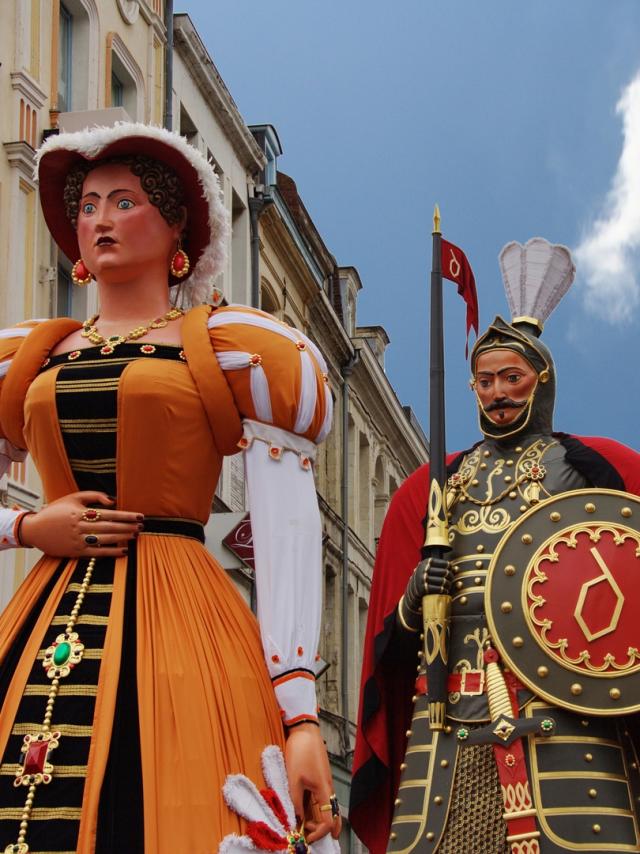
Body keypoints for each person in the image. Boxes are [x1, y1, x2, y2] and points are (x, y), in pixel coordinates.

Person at [0, 122, 340, 854]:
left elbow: (285, 529)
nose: (100, 221)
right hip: (44, 604)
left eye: (123, 202)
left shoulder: (230, 347)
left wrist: (300, 714)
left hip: (182, 613)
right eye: (87, 206)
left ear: (176, 227)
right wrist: (26, 529)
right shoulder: (30, 354)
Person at [350, 238, 640, 853]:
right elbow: (392, 639)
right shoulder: (439, 484)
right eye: (485, 380)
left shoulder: (586, 469)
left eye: (512, 377)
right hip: (450, 710)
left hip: (563, 705)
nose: (497, 392)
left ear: (542, 381)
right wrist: (411, 602)